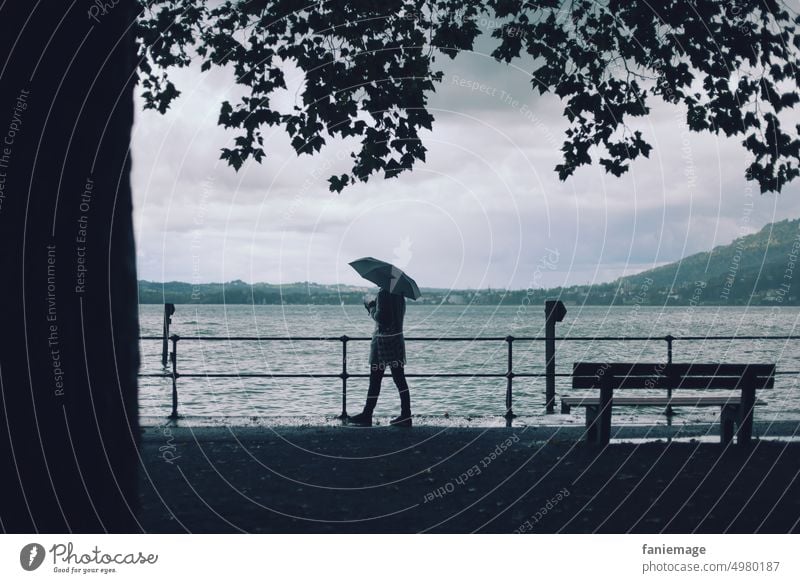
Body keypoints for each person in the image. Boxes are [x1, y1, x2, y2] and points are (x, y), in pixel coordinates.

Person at [348, 287, 412, 427]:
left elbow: (382, 318)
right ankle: (406, 414)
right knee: (400, 379)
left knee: (375, 379)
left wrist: (371, 308)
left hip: (382, 342)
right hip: (397, 341)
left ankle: (367, 414)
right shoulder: (400, 295)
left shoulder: (383, 294)